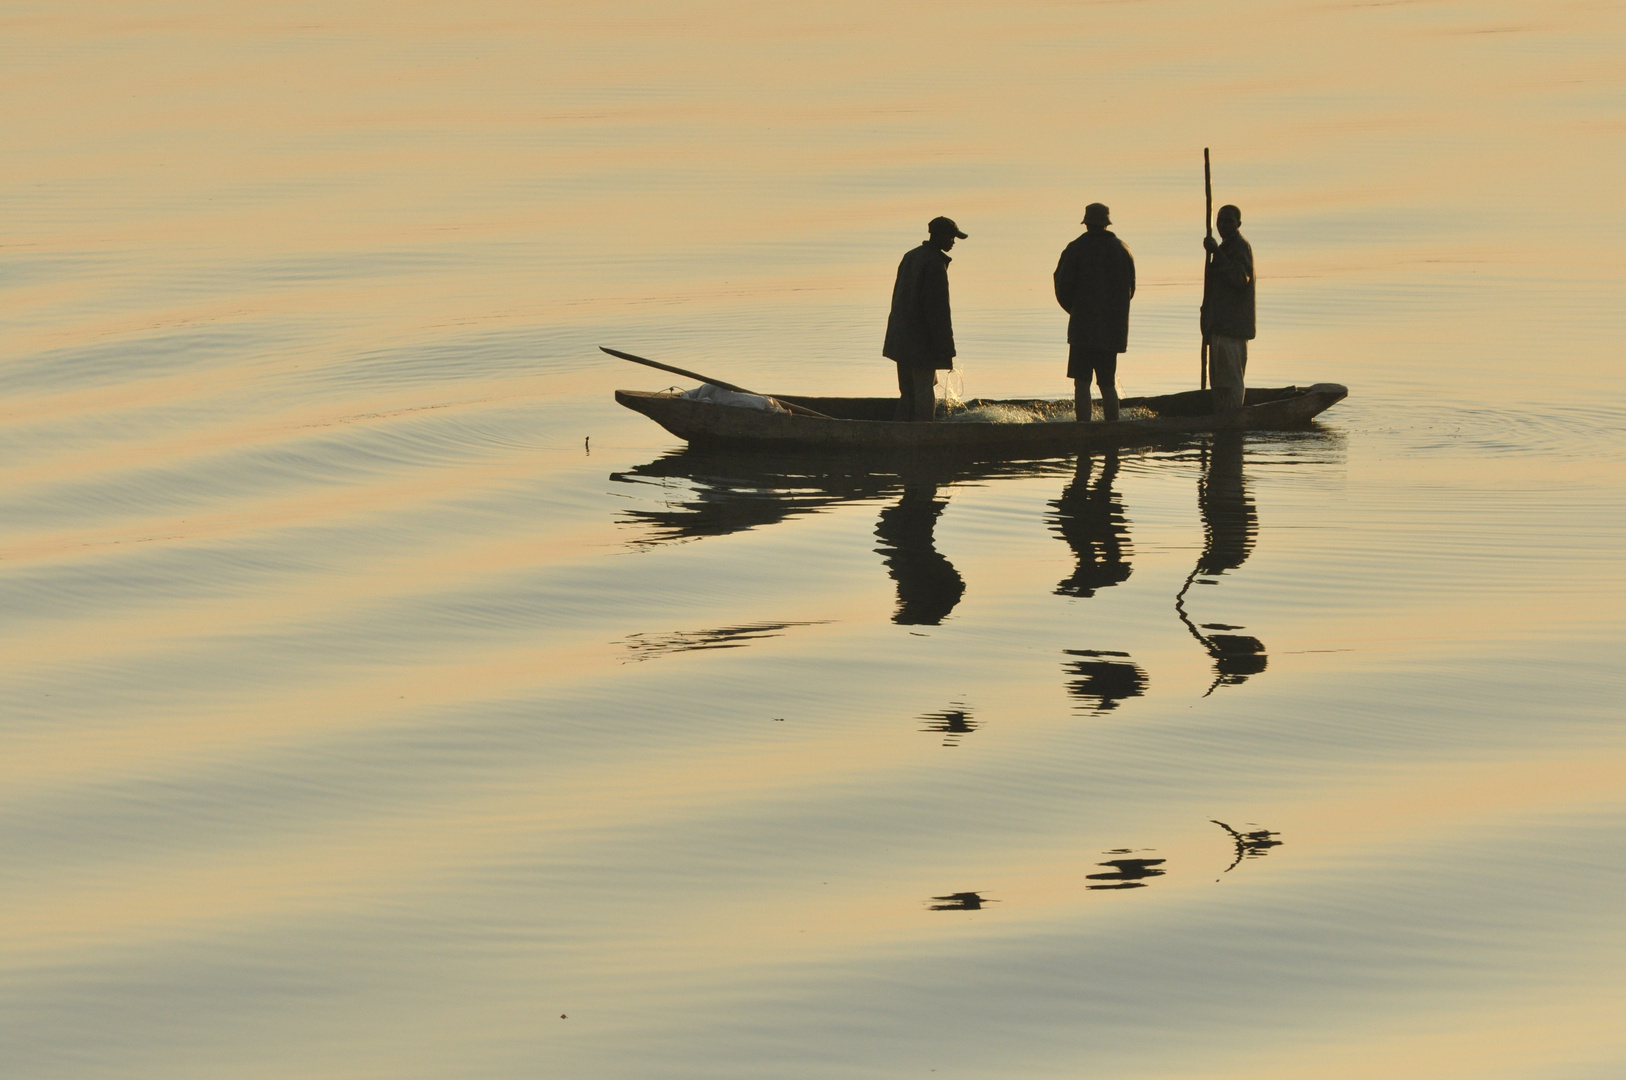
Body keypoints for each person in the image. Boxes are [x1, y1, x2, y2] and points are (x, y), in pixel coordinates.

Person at [1054, 203, 1135, 422]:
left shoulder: (1075, 249)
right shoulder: (1122, 249)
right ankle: (1113, 428)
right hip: (1112, 330)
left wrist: (1076, 311)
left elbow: (1061, 286)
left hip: (1083, 329)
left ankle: (1083, 428)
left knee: (1081, 382)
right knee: (1107, 382)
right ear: (1106, 224)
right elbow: (1131, 290)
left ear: (1087, 224)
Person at [884, 216, 965, 421]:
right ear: (940, 236)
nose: (953, 242)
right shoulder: (935, 264)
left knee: (908, 392)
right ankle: (925, 432)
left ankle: (900, 431)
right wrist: (946, 348)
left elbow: (899, 299)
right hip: (920, 342)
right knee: (923, 392)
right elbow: (937, 312)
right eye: (951, 237)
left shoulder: (910, 256)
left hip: (900, 338)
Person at [1201, 204, 1256, 415]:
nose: (1223, 226)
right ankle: (1223, 414)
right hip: (1219, 326)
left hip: (1232, 328)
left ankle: (1232, 416)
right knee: (1219, 379)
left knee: (1230, 379)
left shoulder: (1240, 247)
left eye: (1228, 222)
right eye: (1220, 222)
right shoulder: (1225, 248)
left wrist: (1215, 251)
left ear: (1238, 224)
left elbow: (1240, 279)